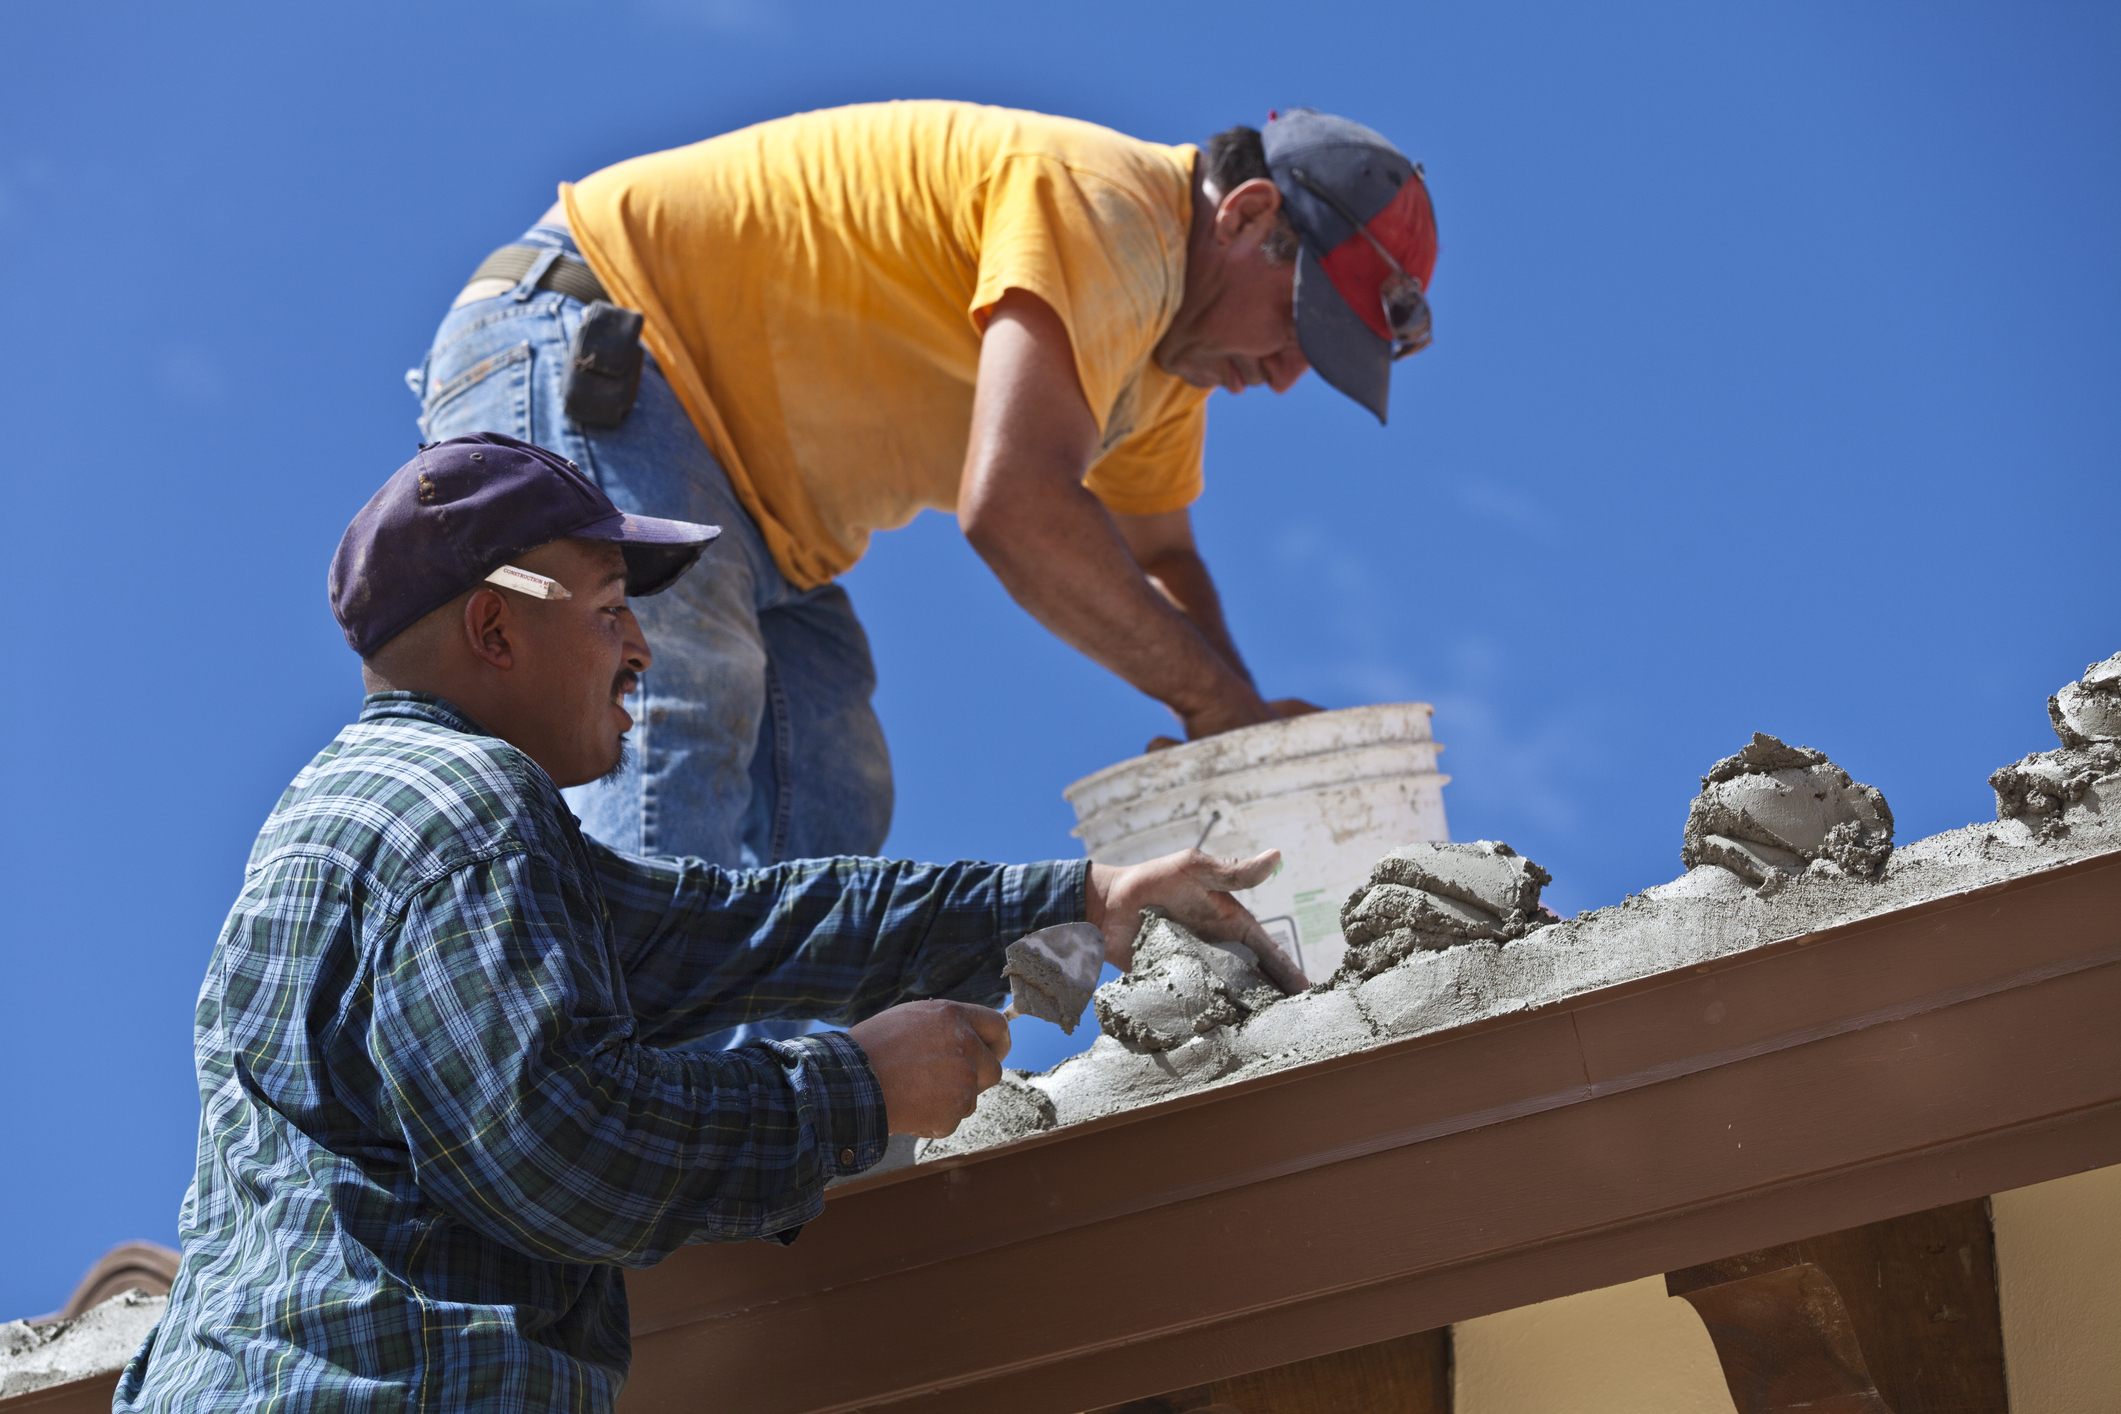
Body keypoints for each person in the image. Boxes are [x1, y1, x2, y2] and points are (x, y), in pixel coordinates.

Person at [115, 435, 1283, 1411]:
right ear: (493, 629)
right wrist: (852, 1088)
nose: (641, 649)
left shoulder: (368, 821)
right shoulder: (468, 810)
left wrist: (1080, 903)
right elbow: (559, 1146)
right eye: (613, 609)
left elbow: (748, 926)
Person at [409, 103, 1438, 873]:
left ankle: (806, 1138)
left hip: (756, 520)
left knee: (832, 802)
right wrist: (1219, 706)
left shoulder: (1166, 363)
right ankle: (622, 1109)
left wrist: (1239, 719)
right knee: (678, 707)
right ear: (1250, 214)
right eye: (1301, 324)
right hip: (593, 343)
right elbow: (1017, 509)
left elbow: (1161, 557)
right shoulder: (1111, 208)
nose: (1290, 372)